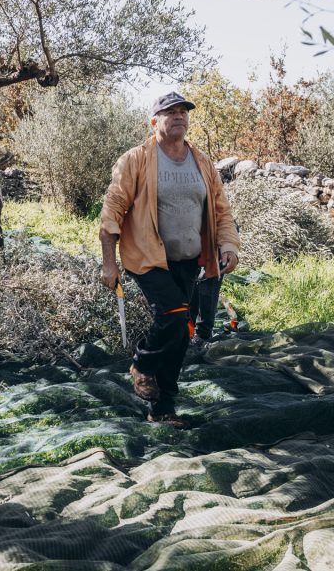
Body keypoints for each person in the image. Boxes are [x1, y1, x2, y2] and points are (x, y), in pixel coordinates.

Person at [99, 92, 240, 428]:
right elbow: (112, 212)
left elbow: (220, 209)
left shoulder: (201, 161)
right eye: (170, 112)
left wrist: (227, 245)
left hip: (189, 259)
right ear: (154, 121)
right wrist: (109, 262)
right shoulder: (135, 160)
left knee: (181, 333)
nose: (178, 116)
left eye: (183, 112)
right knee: (175, 314)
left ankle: (163, 409)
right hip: (147, 258)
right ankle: (143, 364)